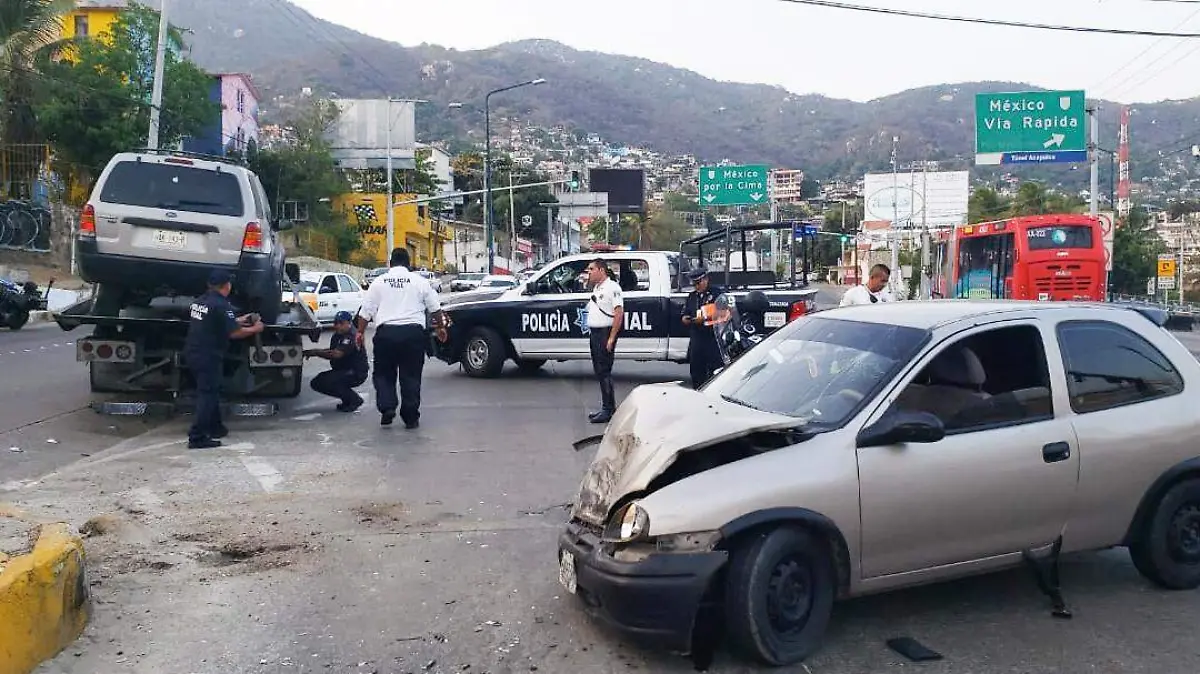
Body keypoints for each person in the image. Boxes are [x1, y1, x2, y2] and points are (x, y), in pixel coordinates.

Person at [356, 247, 445, 429]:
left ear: (390, 264)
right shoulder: (419, 282)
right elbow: (435, 308)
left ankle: (387, 407)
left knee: (383, 374)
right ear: (409, 264)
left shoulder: (379, 282)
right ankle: (410, 417)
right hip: (413, 335)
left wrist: (359, 332)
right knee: (411, 376)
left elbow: (365, 312)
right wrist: (441, 327)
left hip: (386, 334)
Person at [184, 269, 265, 449]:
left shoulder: (200, 301)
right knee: (208, 394)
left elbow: (216, 321)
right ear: (227, 286)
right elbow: (234, 333)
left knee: (210, 391)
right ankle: (197, 436)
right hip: (208, 355)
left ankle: (215, 427)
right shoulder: (221, 305)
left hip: (194, 352)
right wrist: (256, 329)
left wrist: (240, 319)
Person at [304, 310, 369, 412]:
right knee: (318, 382)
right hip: (343, 371)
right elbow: (332, 351)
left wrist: (316, 352)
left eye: (341, 323)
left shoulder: (351, 336)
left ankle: (354, 400)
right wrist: (314, 352)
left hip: (356, 372)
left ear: (349, 323)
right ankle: (347, 400)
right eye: (336, 323)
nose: (338, 326)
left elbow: (336, 354)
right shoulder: (338, 335)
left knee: (330, 381)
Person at [584, 258, 624, 423]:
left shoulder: (612, 287)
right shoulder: (597, 287)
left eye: (591, 269)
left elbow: (619, 313)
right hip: (595, 333)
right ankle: (607, 407)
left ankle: (609, 410)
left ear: (601, 270)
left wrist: (611, 338)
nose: (589, 272)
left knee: (604, 371)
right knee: (599, 371)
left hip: (605, 333)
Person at [681, 267, 724, 389]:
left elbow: (723, 313)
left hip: (712, 337)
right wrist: (685, 318)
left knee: (715, 370)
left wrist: (706, 319)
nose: (696, 286)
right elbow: (685, 313)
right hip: (697, 338)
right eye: (694, 284)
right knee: (696, 370)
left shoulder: (716, 294)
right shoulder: (692, 296)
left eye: (698, 283)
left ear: (706, 279)